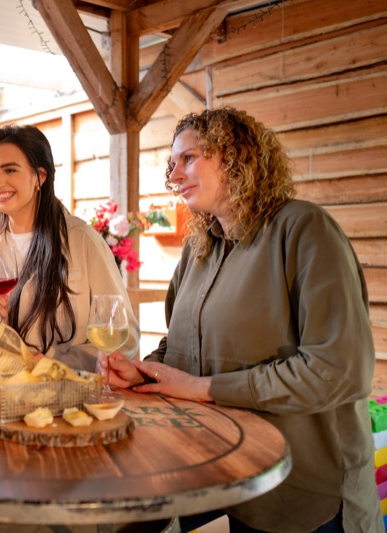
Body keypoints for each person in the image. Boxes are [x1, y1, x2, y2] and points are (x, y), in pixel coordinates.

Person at [105, 107, 380, 532]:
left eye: (189, 159)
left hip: (304, 494)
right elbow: (178, 351)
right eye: (171, 164)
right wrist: (141, 373)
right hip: (228, 480)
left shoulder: (305, 229)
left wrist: (205, 389)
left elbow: (338, 370)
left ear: (235, 156)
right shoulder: (197, 250)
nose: (174, 176)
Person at [0, 123, 140, 373]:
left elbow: (126, 341)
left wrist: (54, 364)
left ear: (40, 176)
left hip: (65, 401)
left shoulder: (83, 242)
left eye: (10, 170)